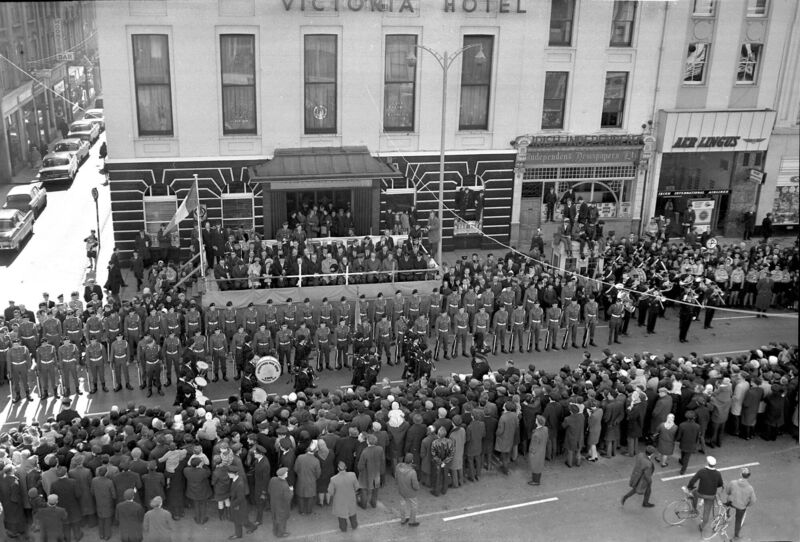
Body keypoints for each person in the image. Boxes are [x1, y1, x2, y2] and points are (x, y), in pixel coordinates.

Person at [687, 456, 724, 532]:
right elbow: (720, 484)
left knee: (694, 492)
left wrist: (689, 486)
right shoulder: (718, 473)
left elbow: (693, 480)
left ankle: (694, 509)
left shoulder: (702, 471)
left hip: (700, 493)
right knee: (707, 511)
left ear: (707, 463)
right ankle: (702, 526)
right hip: (711, 496)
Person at [724, 467, 756, 541]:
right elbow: (753, 500)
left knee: (727, 501)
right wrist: (747, 505)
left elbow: (727, 491)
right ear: (749, 476)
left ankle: (726, 515)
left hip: (731, 502)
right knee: (738, 520)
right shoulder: (750, 488)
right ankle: (736, 535)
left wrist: (730, 494)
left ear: (741, 474)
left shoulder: (733, 482)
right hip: (741, 507)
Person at [327, 461, 359, 532]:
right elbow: (357, 487)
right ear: (346, 468)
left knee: (341, 516)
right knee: (352, 513)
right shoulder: (352, 475)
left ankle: (343, 528)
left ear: (338, 469)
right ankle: (354, 525)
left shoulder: (333, 479)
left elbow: (330, 492)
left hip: (340, 501)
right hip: (351, 499)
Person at [227, 465, 257, 539]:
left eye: (229, 473)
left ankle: (241, 533)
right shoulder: (236, 479)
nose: (228, 474)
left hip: (239, 505)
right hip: (238, 503)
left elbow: (240, 498)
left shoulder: (239, 484)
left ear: (234, 474)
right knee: (240, 520)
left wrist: (233, 504)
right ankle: (241, 533)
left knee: (241, 520)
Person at [394, 453, 420, 526]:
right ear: (412, 461)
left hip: (401, 489)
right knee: (414, 505)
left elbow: (396, 477)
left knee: (402, 504)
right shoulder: (412, 472)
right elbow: (415, 485)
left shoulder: (398, 466)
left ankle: (403, 519)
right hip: (411, 492)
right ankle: (412, 521)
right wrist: (417, 488)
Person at [267, 467, 292, 538]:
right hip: (282, 506)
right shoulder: (285, 485)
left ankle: (275, 531)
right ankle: (281, 534)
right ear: (283, 475)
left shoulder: (273, 479)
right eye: (286, 472)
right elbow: (288, 498)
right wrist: (291, 491)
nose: (287, 473)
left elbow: (269, 490)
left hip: (274, 504)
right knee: (282, 520)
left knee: (275, 518)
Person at [676, 410, 701, 475]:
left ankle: (682, 461)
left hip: (683, 443)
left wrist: (678, 440)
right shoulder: (697, 426)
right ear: (694, 418)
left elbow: (679, 436)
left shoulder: (682, 425)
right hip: (691, 444)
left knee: (682, 452)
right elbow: (697, 437)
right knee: (687, 458)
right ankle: (683, 470)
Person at [527, 415, 548, 486]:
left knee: (535, 466)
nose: (535, 420)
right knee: (539, 465)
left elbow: (534, 445)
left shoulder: (536, 434)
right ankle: (537, 479)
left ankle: (535, 481)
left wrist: (531, 452)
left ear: (538, 422)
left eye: (536, 419)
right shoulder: (545, 429)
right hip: (542, 450)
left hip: (536, 452)